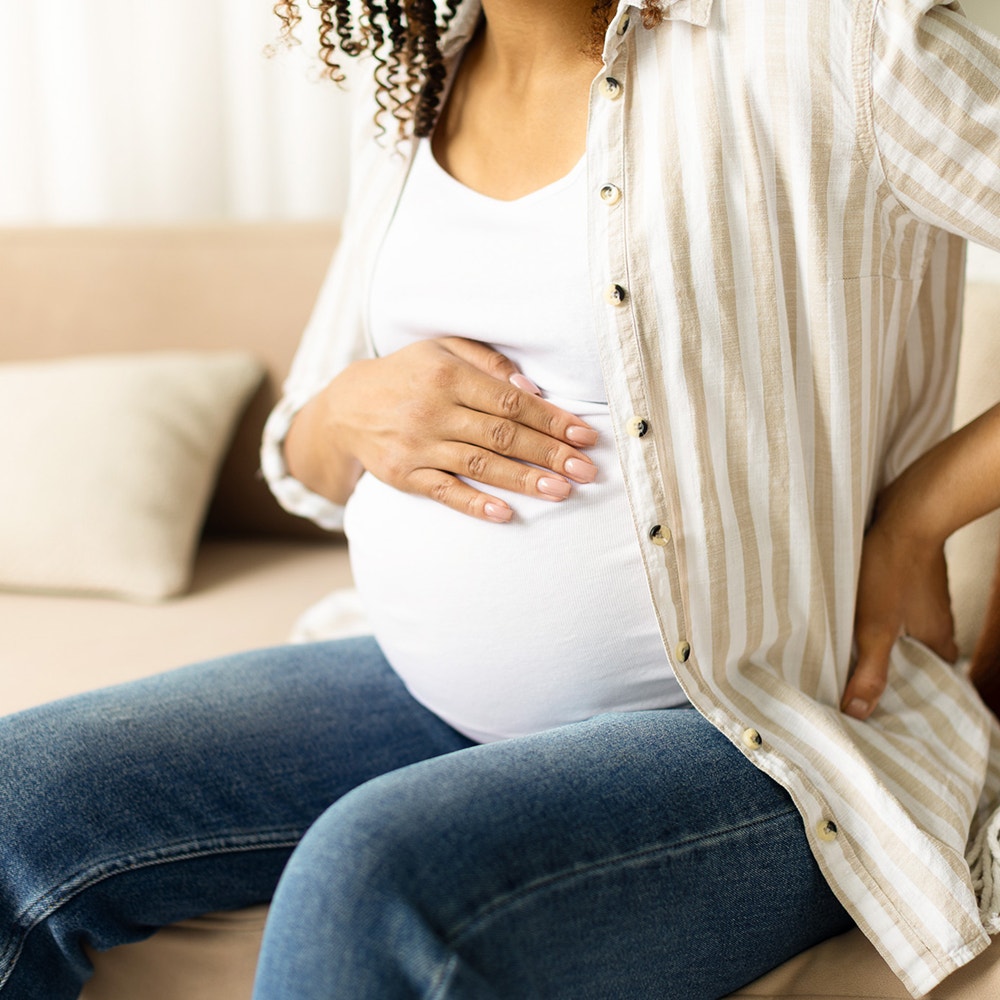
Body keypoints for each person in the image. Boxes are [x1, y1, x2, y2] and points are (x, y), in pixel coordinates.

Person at [2, 1, 1000, 997]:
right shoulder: (414, 84)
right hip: (421, 694)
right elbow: (307, 459)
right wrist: (347, 411)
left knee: (371, 882)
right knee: (18, 798)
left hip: (755, 735)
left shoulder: (838, 36)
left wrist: (917, 513)